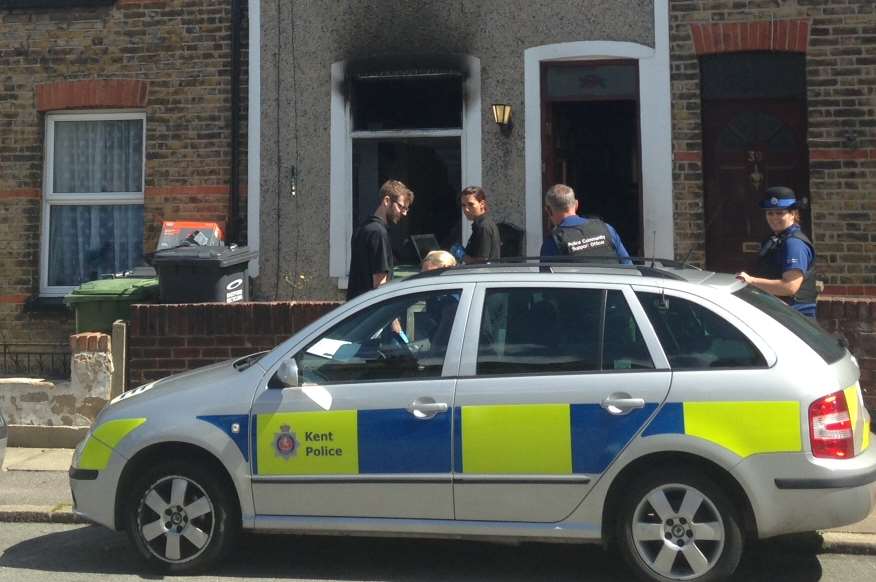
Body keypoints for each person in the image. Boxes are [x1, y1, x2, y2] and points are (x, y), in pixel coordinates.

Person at [736, 186, 818, 318]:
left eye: (780, 213)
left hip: (794, 319)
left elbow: (790, 287)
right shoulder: (776, 239)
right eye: (770, 213)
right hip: (779, 314)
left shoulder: (794, 243)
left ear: (792, 213)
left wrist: (750, 281)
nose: (774, 218)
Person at [346, 179, 414, 300]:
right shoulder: (378, 233)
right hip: (370, 312)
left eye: (406, 209)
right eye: (401, 207)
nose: (404, 213)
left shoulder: (363, 228)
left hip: (356, 309)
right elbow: (380, 285)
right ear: (387, 201)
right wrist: (391, 318)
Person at [539, 184, 631, 263]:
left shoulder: (553, 243)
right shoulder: (607, 229)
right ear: (576, 205)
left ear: (548, 210)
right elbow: (628, 267)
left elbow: (549, 280)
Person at [452, 186, 501, 264]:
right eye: (463, 205)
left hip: (483, 275)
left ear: (482, 204)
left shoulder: (483, 227)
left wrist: (462, 255)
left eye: (470, 204)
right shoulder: (479, 225)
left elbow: (481, 263)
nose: (466, 209)